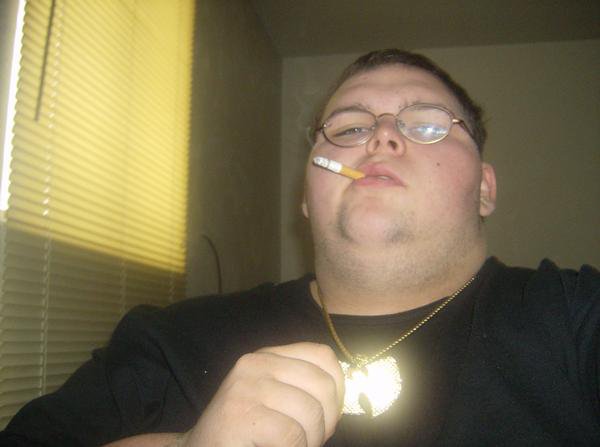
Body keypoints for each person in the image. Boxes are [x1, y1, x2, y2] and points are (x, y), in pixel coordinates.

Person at [1, 49, 599, 447]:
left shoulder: (575, 318)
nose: (381, 136)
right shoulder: (168, 341)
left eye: (426, 123)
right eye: (351, 127)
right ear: (308, 196)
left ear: (485, 189)